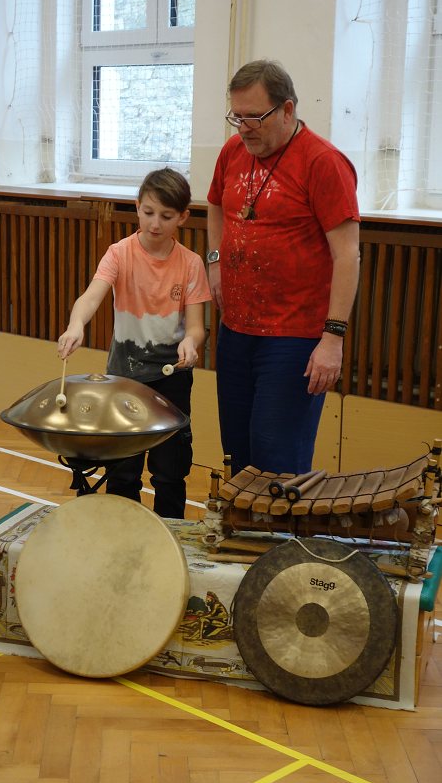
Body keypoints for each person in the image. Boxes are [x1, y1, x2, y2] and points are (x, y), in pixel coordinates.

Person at [207, 59, 360, 477]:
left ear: (287, 110)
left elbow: (348, 254)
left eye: (255, 117)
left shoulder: (324, 162)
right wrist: (215, 262)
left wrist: (333, 339)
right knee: (238, 459)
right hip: (236, 330)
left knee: (277, 466)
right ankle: (243, 542)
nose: (243, 128)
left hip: (293, 339)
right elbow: (216, 204)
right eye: (237, 117)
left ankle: (279, 544)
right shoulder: (232, 151)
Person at [58, 167, 212, 518]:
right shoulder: (119, 253)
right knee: (123, 471)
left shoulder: (190, 264)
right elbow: (91, 296)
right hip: (124, 377)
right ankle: (121, 535)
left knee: (170, 471)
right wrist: (75, 325)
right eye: (148, 212)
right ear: (137, 206)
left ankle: (171, 542)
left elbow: (196, 327)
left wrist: (191, 342)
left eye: (166, 216)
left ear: (183, 217)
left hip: (171, 379)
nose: (155, 223)